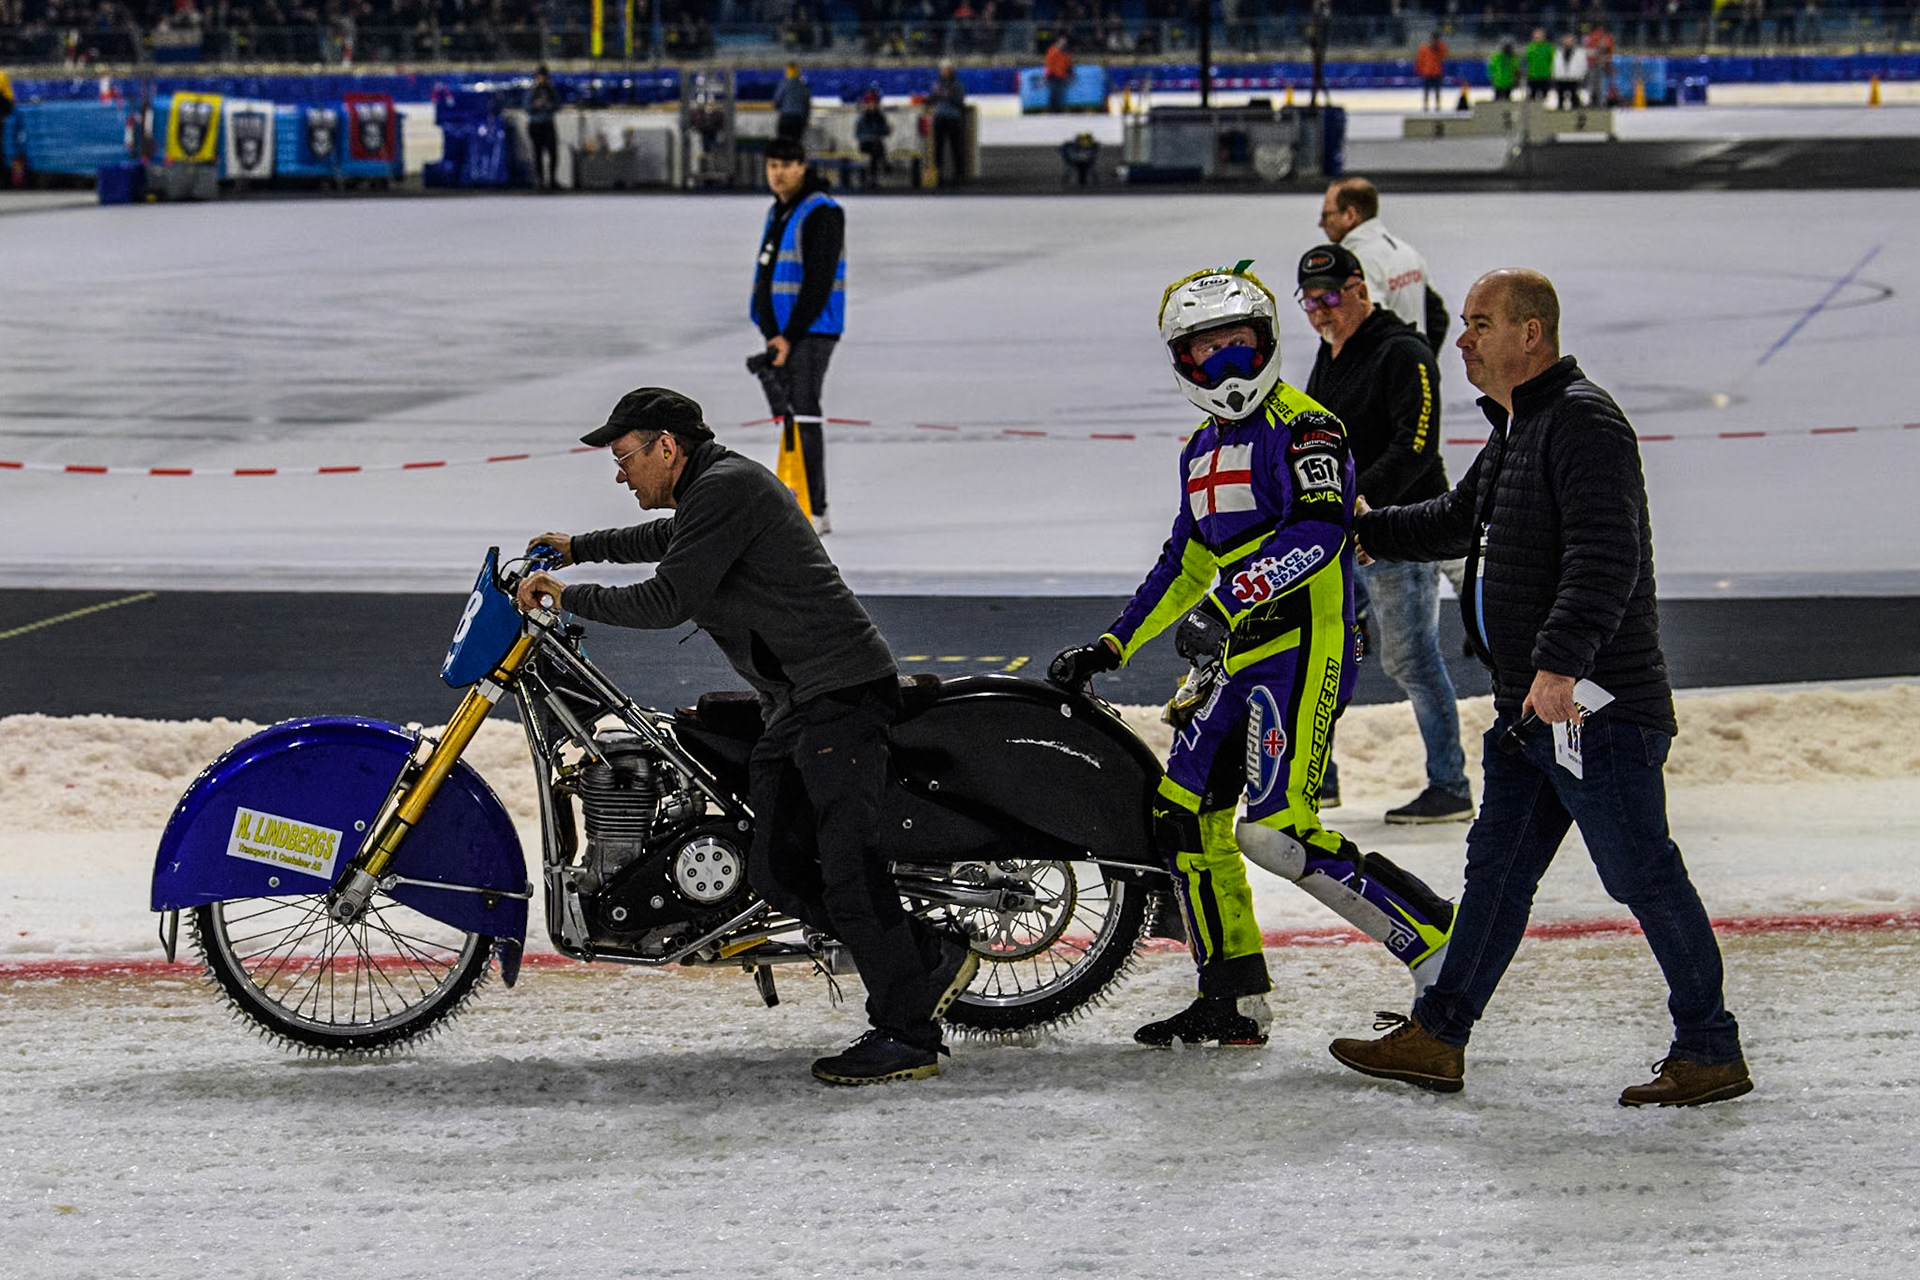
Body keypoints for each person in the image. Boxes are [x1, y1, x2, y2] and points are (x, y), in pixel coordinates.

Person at [1328, 270, 1751, 1108]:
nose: (1464, 339)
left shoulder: (1583, 422)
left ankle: (1710, 1049)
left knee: (1643, 874)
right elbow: (1455, 520)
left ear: (1533, 335)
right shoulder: (1519, 428)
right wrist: (1365, 528)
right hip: (1532, 710)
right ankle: (1440, 1037)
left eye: (1481, 324)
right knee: (1495, 876)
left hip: (1593, 707)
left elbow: (1606, 555)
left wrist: (1561, 664)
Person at [516, 388, 978, 1087]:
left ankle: (907, 1035)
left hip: (839, 696)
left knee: (843, 869)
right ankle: (926, 956)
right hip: (798, 701)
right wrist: (581, 549)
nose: (620, 475)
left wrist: (567, 594)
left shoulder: (727, 487)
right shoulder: (712, 491)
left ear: (667, 447)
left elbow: (669, 597)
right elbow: (665, 540)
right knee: (778, 871)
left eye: (625, 458)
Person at [1049, 263, 1457, 1049]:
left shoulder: (1307, 427)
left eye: (1239, 346)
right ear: (1181, 361)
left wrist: (1225, 603)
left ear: (1267, 343)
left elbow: (1320, 532)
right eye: (1206, 353)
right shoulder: (1200, 450)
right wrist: (1110, 644)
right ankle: (1231, 997)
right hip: (1232, 661)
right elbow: (1183, 561)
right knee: (1182, 819)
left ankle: (1437, 940)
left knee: (1275, 831)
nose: (1225, 366)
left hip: (1304, 648)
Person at [1297, 244, 1472, 825]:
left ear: (1359, 289)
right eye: (1309, 301)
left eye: (1328, 298)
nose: (1319, 312)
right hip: (1348, 536)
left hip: (1400, 533)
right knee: (1320, 651)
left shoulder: (1405, 352)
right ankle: (1316, 781)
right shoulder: (1332, 354)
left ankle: (1450, 786)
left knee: (1412, 662)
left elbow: (1416, 449)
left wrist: (1362, 507)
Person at [750, 136, 845, 534]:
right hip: (783, 335)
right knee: (790, 413)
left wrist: (788, 336)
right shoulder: (779, 212)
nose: (778, 174)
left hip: (812, 330)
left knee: (804, 410)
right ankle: (796, 497)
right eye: (772, 166)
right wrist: (773, 333)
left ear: (803, 166)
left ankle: (815, 507)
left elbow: (818, 282)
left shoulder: (822, 212)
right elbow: (766, 276)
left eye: (786, 165)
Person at [1316, 176, 1449, 355]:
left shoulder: (1356, 263)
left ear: (1350, 215)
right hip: (1411, 367)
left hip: (1382, 373)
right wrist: (1422, 362)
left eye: (1326, 215)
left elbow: (1368, 328)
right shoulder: (1406, 251)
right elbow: (1437, 318)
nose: (1321, 224)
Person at [929, 60, 967, 185]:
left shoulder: (957, 85)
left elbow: (960, 101)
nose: (944, 72)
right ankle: (938, 175)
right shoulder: (936, 84)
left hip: (952, 119)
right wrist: (935, 95)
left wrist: (948, 95)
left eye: (946, 69)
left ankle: (958, 175)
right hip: (939, 118)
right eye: (942, 69)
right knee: (938, 149)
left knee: (955, 147)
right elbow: (932, 99)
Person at [526, 65, 560, 192]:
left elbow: (557, 105)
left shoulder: (551, 91)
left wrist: (548, 105)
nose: (542, 79)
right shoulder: (532, 91)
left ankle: (552, 179)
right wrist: (536, 105)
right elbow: (527, 107)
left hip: (548, 124)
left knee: (553, 153)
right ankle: (540, 180)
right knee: (537, 153)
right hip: (536, 125)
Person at [854, 84, 890, 188]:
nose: (872, 105)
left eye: (873, 103)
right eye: (870, 103)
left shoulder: (879, 116)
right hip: (865, 144)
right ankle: (885, 164)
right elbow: (859, 134)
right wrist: (870, 136)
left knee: (876, 147)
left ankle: (873, 178)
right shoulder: (863, 117)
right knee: (876, 146)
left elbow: (884, 131)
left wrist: (885, 130)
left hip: (876, 145)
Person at [772, 61, 812, 142]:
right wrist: (806, 121)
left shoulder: (783, 84)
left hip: (786, 117)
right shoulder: (803, 86)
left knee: (783, 143)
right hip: (798, 119)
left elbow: (777, 101)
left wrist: (780, 108)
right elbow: (806, 105)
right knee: (796, 143)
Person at [1551, 33, 1589, 109]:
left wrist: (1581, 76)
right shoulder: (1558, 53)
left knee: (1575, 100)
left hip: (1574, 79)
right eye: (1566, 41)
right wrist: (1555, 75)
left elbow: (1583, 66)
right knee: (1560, 101)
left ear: (1573, 42)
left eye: (1570, 41)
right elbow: (1555, 65)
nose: (1568, 43)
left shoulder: (1579, 53)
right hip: (1561, 79)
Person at [1414, 30, 1448, 112]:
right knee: (1426, 91)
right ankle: (1426, 105)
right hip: (1427, 73)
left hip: (1437, 73)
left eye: (1436, 40)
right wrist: (1420, 71)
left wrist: (1438, 46)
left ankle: (1438, 105)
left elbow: (1444, 54)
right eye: (1433, 39)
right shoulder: (1424, 49)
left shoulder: (1440, 48)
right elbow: (1419, 61)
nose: (1434, 41)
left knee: (1437, 91)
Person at [1523, 27, 1554, 101]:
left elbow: (1552, 61)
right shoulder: (1529, 47)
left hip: (1545, 75)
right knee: (1532, 96)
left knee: (1545, 97)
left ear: (1543, 36)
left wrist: (1552, 72)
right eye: (1536, 35)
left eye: (1539, 35)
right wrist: (1525, 72)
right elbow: (1526, 61)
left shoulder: (1549, 47)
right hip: (1533, 75)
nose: (1538, 37)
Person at [1044, 37, 1073, 113]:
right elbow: (1049, 63)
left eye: (1065, 43)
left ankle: (1057, 108)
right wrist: (1050, 72)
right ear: (1058, 43)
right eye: (1062, 42)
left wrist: (1069, 70)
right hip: (1053, 75)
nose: (1064, 44)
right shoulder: (1053, 51)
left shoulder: (1066, 53)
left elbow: (1068, 63)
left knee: (1059, 93)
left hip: (1061, 75)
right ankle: (1052, 108)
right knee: (1053, 92)